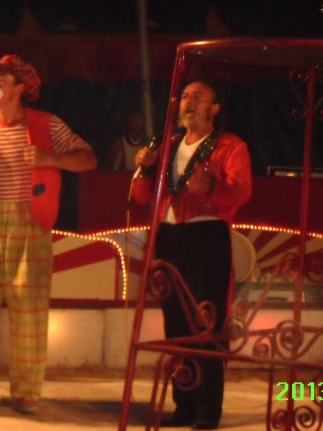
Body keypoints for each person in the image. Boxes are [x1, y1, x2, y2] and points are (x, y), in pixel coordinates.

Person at [0, 54, 97, 414]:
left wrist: (51, 159)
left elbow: (88, 158)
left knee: (29, 311)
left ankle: (26, 393)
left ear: (19, 88)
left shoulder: (47, 124)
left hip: (31, 222)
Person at [132, 81, 252, 429]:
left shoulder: (230, 145)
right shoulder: (168, 146)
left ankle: (208, 410)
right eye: (185, 96)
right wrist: (145, 168)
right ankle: (183, 406)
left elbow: (242, 191)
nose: (189, 102)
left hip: (206, 234)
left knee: (207, 321)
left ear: (214, 109)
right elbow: (142, 197)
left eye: (198, 97)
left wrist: (210, 187)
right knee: (175, 322)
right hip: (170, 235)